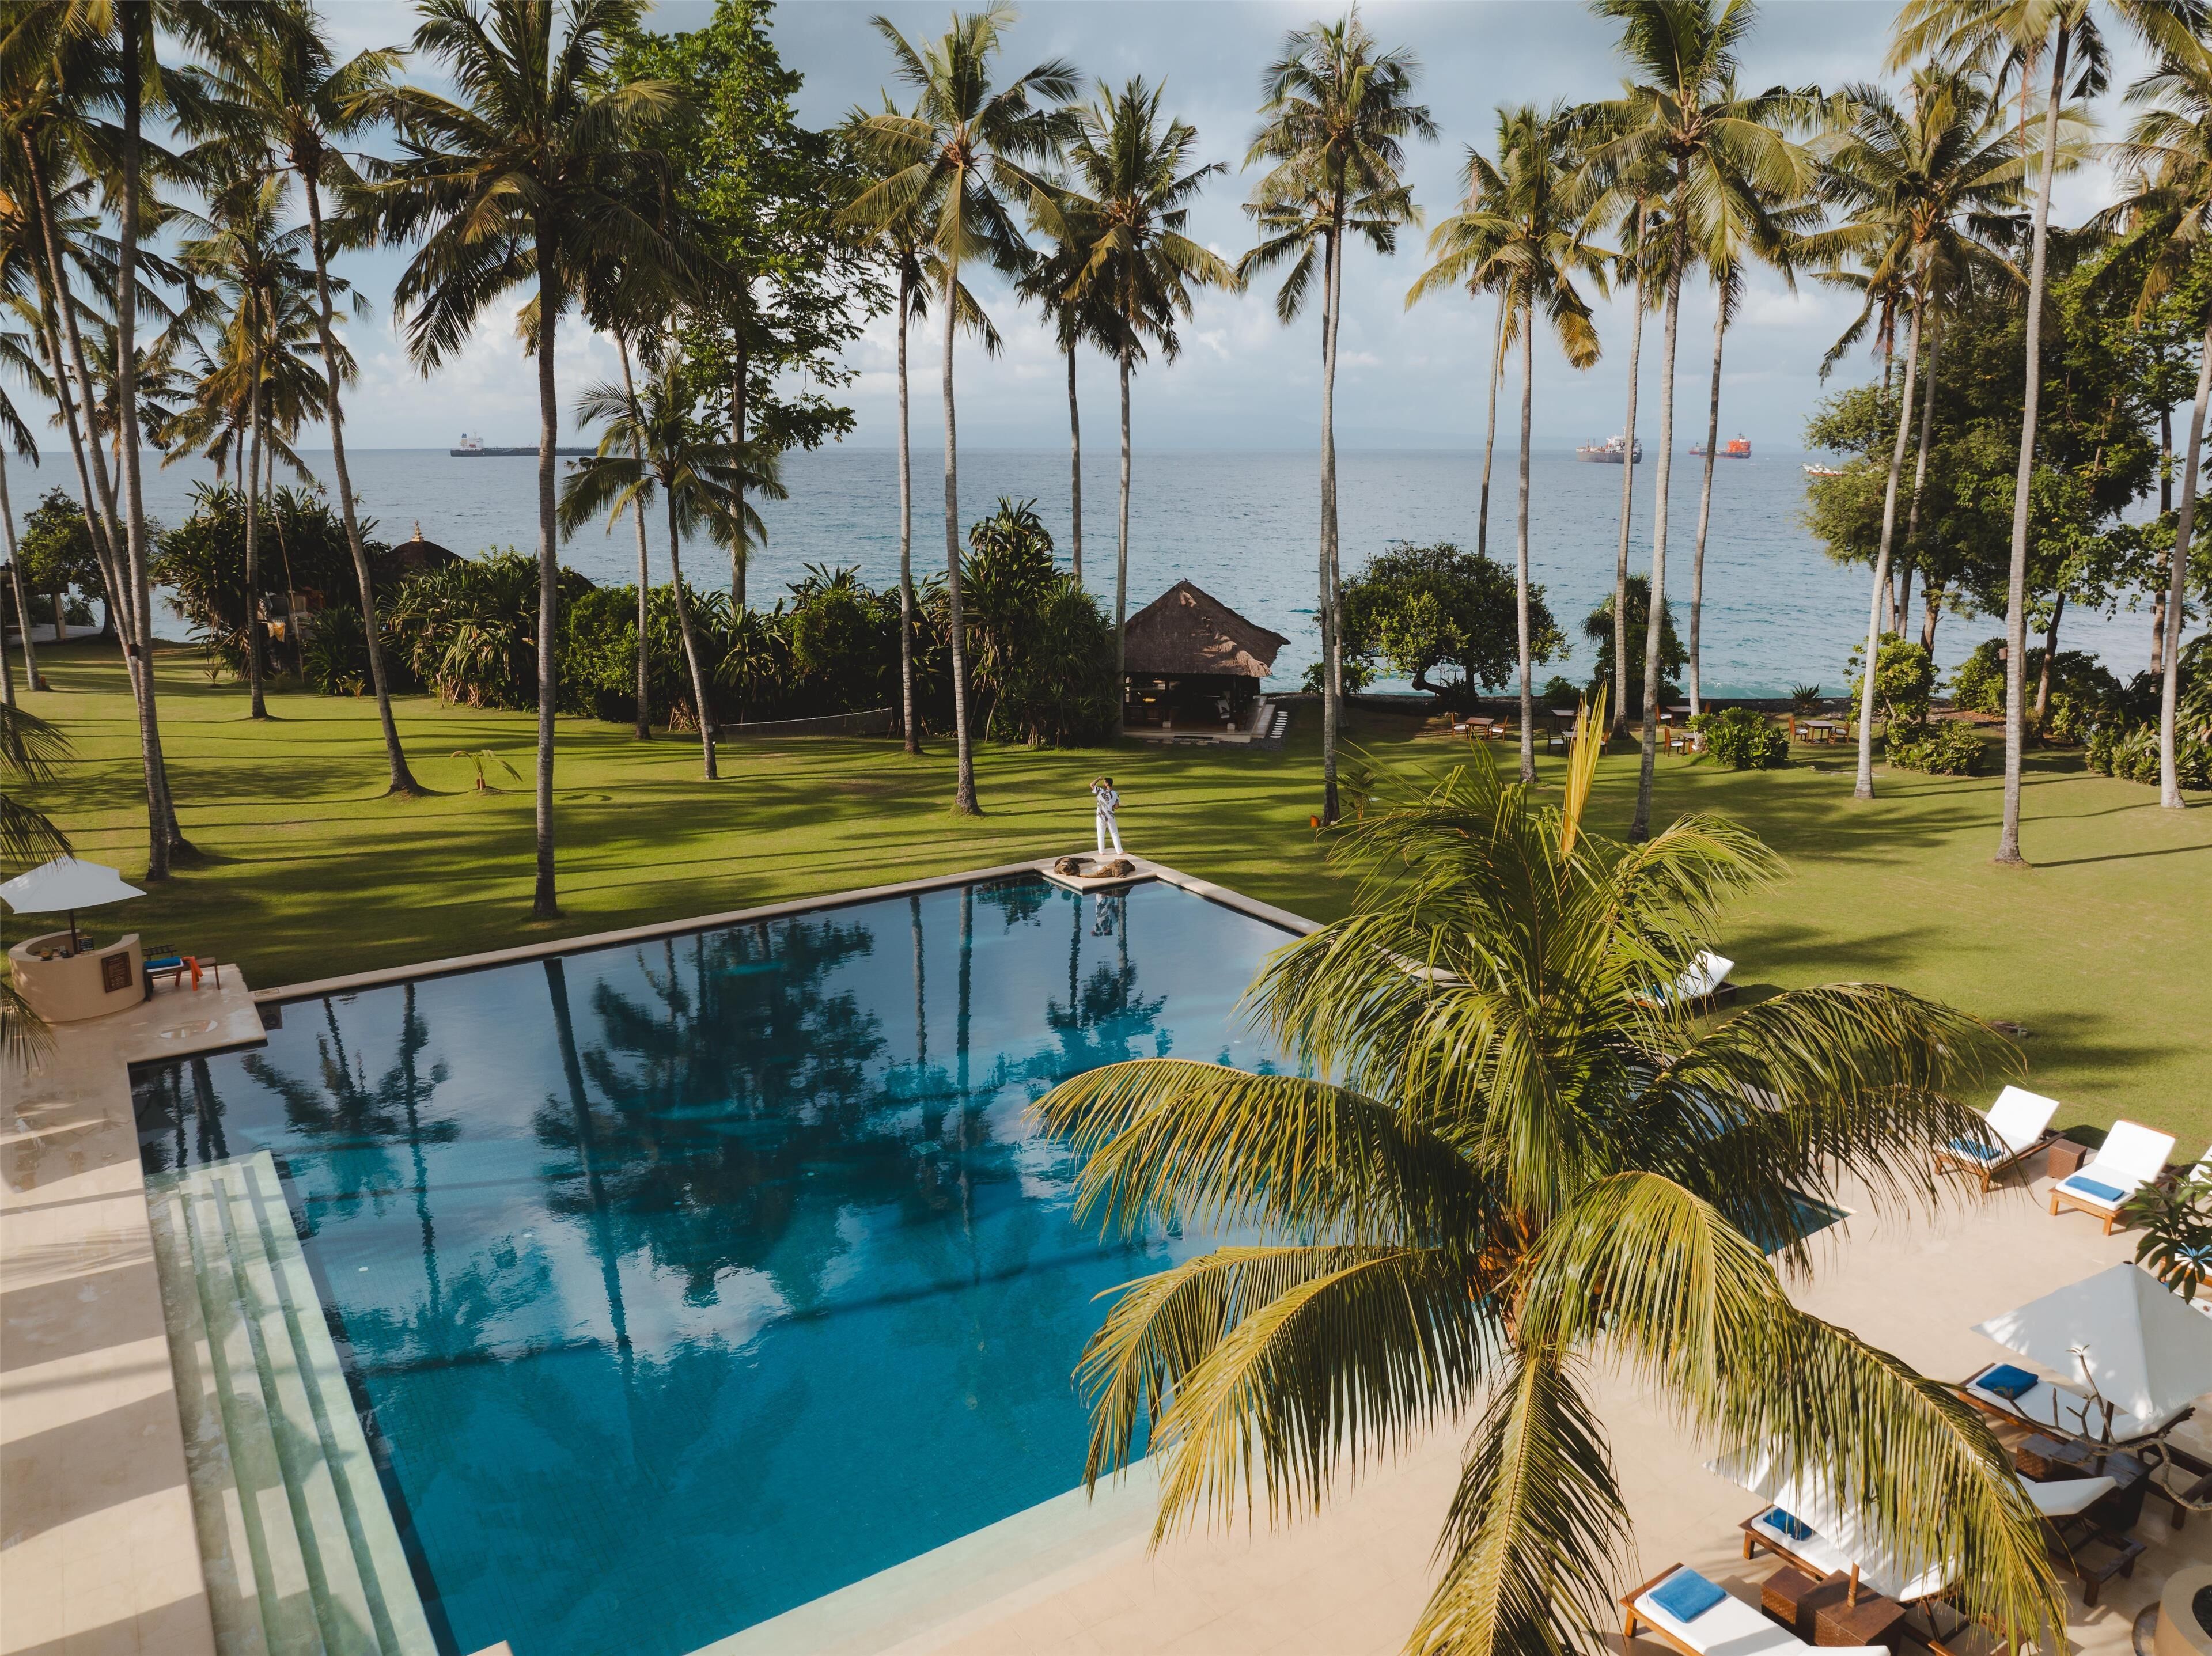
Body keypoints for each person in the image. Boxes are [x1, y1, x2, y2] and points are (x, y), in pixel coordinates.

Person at [1090, 775, 1123, 855]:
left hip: (1101, 816)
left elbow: (1092, 785)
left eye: (1104, 782)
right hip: (1111, 816)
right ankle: (1119, 851)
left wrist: (1098, 779)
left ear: (1107, 784)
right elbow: (1117, 806)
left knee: (1101, 834)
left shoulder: (1101, 791)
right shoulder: (1116, 794)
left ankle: (1101, 852)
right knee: (1115, 833)